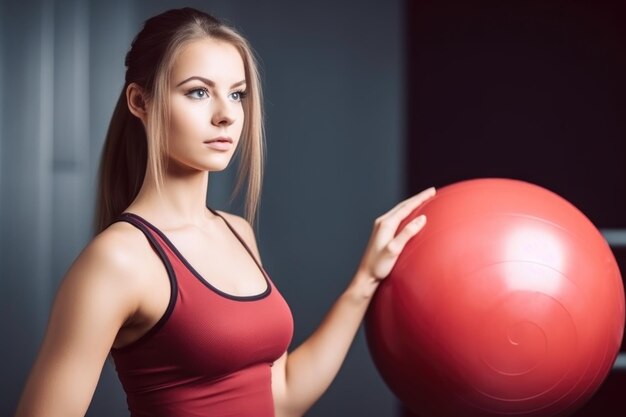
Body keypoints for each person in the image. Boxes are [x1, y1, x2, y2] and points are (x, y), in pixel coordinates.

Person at [14, 7, 435, 417]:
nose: (227, 115)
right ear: (140, 102)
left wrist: (365, 281)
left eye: (237, 94)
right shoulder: (118, 260)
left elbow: (281, 398)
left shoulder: (238, 232)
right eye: (199, 92)